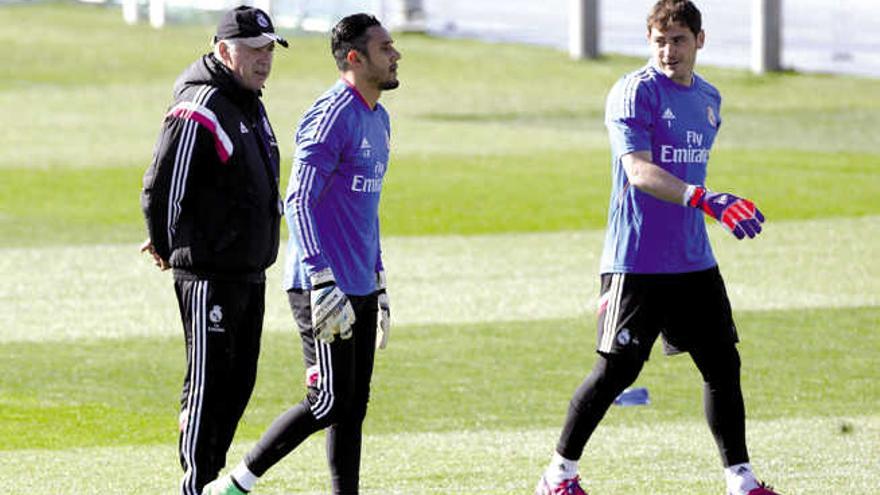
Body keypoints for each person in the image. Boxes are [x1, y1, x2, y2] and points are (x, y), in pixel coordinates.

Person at [534, 1, 778, 494]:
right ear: (649, 41)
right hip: (637, 258)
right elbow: (639, 173)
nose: (669, 51)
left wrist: (707, 203)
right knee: (616, 372)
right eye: (660, 40)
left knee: (722, 365)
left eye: (679, 40)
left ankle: (740, 479)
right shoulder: (633, 93)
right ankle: (557, 476)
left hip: (692, 259)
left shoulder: (709, 98)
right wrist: (705, 199)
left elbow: (689, 175)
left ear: (699, 42)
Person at [203, 13, 400, 495]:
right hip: (322, 283)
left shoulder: (379, 118)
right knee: (328, 400)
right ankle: (235, 485)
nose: (396, 55)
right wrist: (320, 276)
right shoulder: (332, 114)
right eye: (385, 48)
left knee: (353, 406)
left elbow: (363, 206)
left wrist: (379, 275)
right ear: (354, 58)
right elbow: (297, 198)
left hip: (359, 282)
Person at [139, 6, 286, 494]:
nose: (265, 59)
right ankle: (197, 484)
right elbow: (163, 184)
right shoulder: (200, 104)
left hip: (249, 270)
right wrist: (163, 244)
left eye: (269, 49)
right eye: (254, 50)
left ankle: (206, 478)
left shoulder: (248, 100)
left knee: (239, 381)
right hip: (208, 273)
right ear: (224, 51)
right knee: (208, 383)